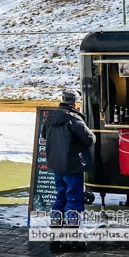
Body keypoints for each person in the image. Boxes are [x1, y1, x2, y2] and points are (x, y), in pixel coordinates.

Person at [40, 89, 95, 235]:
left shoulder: (50, 117)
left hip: (56, 165)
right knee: (74, 199)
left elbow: (44, 134)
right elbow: (89, 139)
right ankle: (72, 231)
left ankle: (56, 226)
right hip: (72, 165)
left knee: (60, 196)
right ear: (75, 103)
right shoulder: (74, 119)